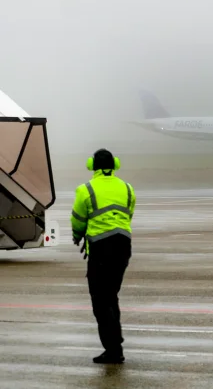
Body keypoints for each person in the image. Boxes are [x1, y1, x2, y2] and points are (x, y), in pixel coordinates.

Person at [70, 148, 136, 364]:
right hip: (123, 245)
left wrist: (78, 235)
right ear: (115, 164)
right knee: (111, 295)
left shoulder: (85, 189)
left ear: (92, 165)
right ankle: (115, 341)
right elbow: (129, 213)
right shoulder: (127, 188)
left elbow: (78, 218)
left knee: (100, 299)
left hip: (100, 247)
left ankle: (114, 348)